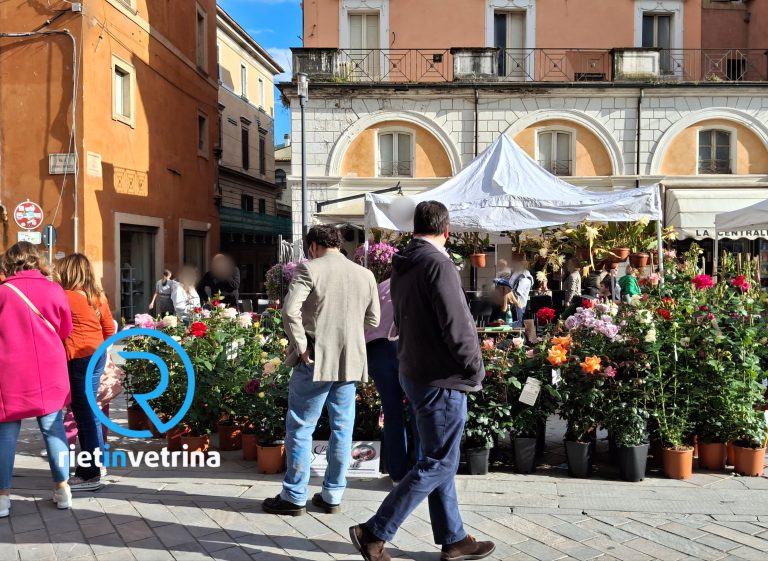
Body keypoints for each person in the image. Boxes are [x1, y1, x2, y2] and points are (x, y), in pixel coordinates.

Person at [349, 201, 495, 561]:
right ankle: (374, 531)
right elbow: (457, 326)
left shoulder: (404, 264)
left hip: (414, 370)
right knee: (440, 461)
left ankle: (454, 538)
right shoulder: (438, 264)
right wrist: (475, 368)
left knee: (437, 458)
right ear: (446, 230)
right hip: (441, 376)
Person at [263, 225, 379, 516]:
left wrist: (301, 345)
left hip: (314, 359)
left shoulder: (309, 269)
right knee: (342, 429)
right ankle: (332, 495)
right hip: (350, 361)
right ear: (338, 244)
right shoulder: (364, 274)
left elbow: (290, 311)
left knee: (301, 427)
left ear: (313, 246)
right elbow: (374, 319)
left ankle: (294, 496)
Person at [0, 242, 73, 516]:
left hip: (9, 369)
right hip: (49, 367)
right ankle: (62, 489)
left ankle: (3, 497)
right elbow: (65, 328)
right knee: (54, 429)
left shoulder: (3, 293)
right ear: (37, 260)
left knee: (5, 435)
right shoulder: (54, 289)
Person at [55, 253, 116, 491]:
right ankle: (97, 464)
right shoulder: (97, 296)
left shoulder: (65, 296)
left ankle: (89, 474)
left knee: (84, 414)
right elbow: (110, 329)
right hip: (96, 355)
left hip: (78, 357)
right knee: (90, 412)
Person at [365, 274, 420, 484]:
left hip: (377, 350)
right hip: (408, 347)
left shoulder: (381, 286)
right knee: (419, 409)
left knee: (391, 411)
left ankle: (397, 474)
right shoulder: (419, 282)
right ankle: (421, 471)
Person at [507, 258, 533, 327]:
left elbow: (516, 294)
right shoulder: (517, 275)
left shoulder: (525, 279)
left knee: (516, 326)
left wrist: (507, 295)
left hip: (518, 309)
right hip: (514, 307)